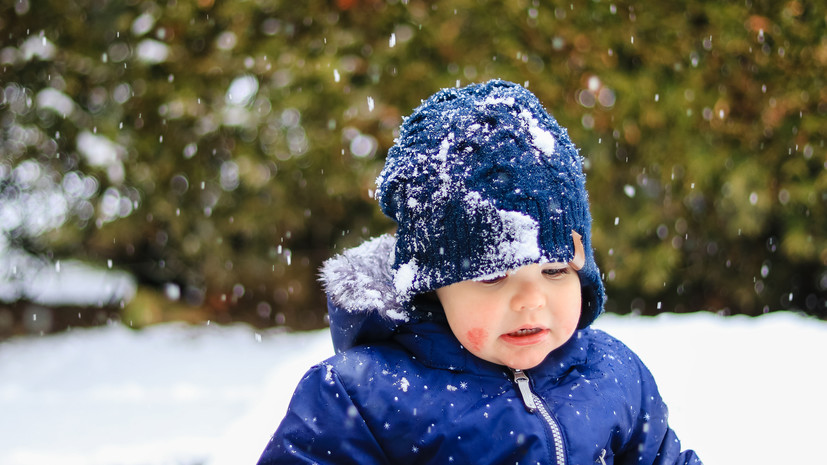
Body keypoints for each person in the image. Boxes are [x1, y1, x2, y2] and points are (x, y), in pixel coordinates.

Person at [256, 79, 702, 465]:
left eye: (554, 270)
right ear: (434, 287)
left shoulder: (612, 374)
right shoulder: (365, 398)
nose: (531, 299)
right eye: (493, 276)